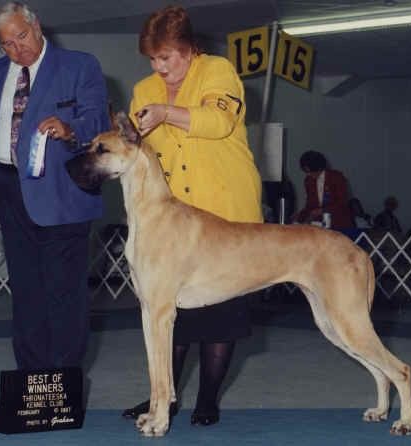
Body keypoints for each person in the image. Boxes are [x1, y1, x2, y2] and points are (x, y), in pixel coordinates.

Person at [122, 5, 263, 426]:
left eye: (166, 57)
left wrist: (166, 113)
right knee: (169, 315)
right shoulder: (144, 89)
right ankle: (162, 399)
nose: (159, 67)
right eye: (153, 59)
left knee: (222, 318)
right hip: (171, 220)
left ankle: (207, 401)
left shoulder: (218, 71)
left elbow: (218, 121)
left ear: (188, 49)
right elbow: (135, 149)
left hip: (225, 210)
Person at [0, 2, 109, 369]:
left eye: (21, 36)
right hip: (8, 190)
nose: (16, 48)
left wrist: (71, 130)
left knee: (64, 294)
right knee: (25, 292)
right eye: (7, 43)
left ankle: (63, 382)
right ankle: (31, 380)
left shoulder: (79, 65)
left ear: (37, 27)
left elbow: (99, 121)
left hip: (62, 192)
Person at [295, 150, 352, 229]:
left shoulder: (337, 177)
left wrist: (322, 211)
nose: (308, 174)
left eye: (309, 171)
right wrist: (299, 216)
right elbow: (310, 205)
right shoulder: (308, 181)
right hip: (320, 225)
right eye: (306, 171)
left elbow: (342, 203)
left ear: (318, 167)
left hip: (339, 223)